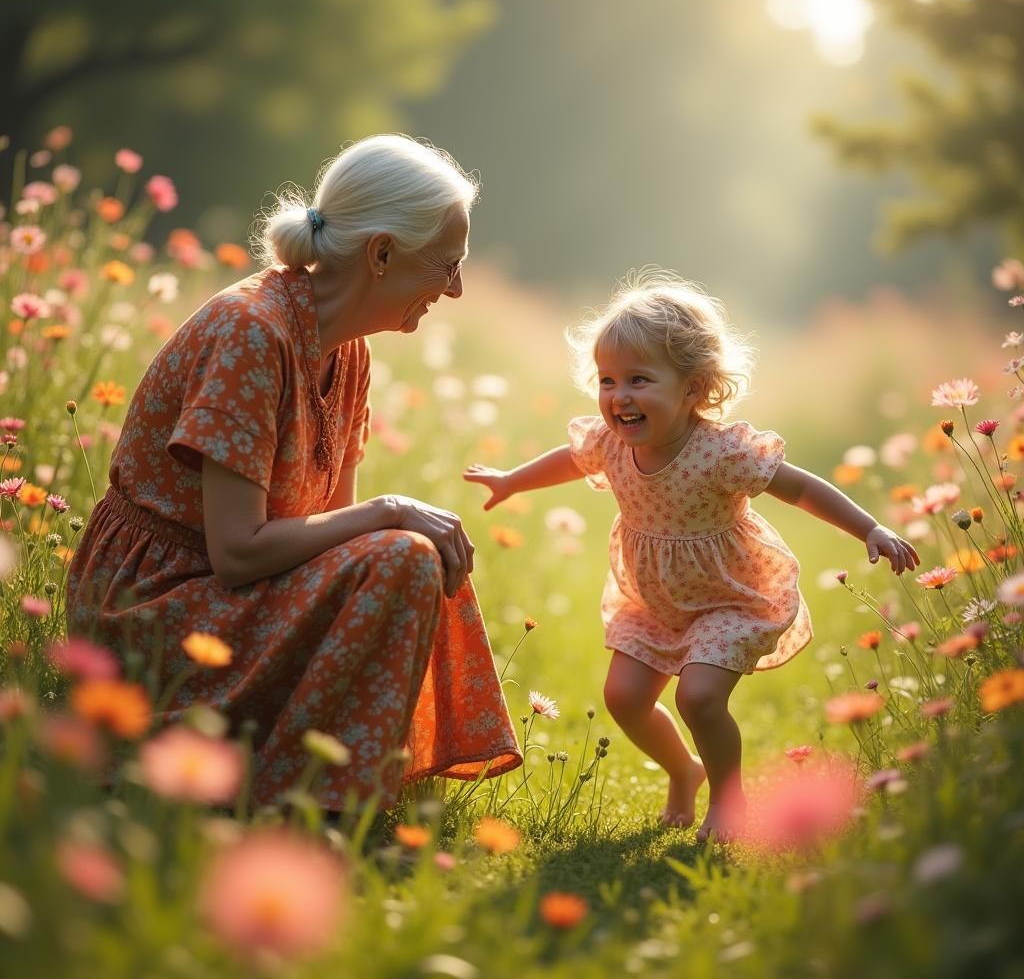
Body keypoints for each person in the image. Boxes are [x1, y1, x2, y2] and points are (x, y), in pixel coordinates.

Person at [67, 134, 522, 810]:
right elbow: (237, 553)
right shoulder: (251, 332)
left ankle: (322, 785)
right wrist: (389, 510)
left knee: (408, 554)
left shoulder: (350, 350)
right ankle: (304, 794)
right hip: (153, 604)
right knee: (400, 550)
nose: (454, 289)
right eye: (446, 265)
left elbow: (335, 542)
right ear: (383, 253)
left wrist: (391, 525)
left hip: (229, 591)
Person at [464, 269, 919, 841]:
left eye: (638, 379)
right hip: (652, 599)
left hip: (732, 595)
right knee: (623, 698)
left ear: (693, 389)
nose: (619, 396)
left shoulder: (721, 451)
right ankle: (686, 770)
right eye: (607, 380)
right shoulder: (611, 442)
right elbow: (570, 458)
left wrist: (869, 527)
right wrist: (511, 480)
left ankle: (730, 801)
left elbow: (800, 487)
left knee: (699, 697)